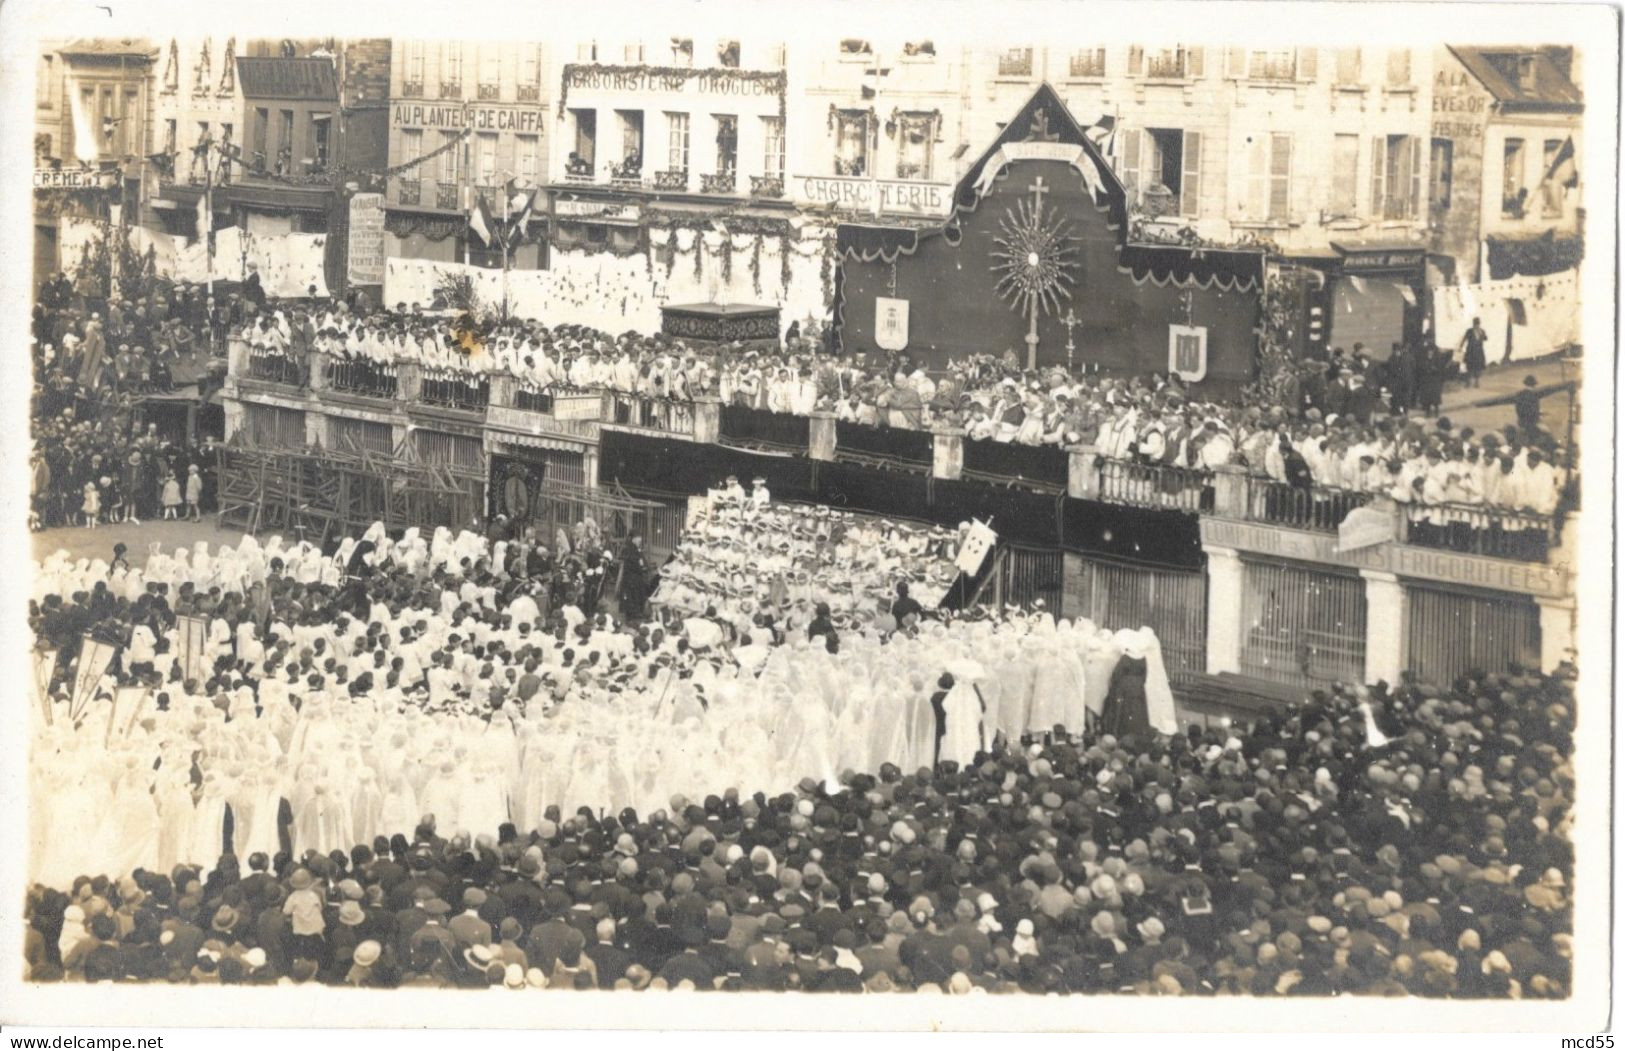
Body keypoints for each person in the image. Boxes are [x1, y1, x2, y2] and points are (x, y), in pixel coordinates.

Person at [1459, 318, 1488, 388]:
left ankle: (1476, 382)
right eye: (1475, 324)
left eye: (1478, 324)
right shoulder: (1469, 331)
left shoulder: (1482, 331)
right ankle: (1468, 382)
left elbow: (1486, 339)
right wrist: (1460, 346)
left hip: (1479, 352)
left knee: (1478, 368)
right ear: (1473, 324)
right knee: (1469, 367)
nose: (1477, 325)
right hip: (1470, 352)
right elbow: (1464, 339)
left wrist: (1482, 334)